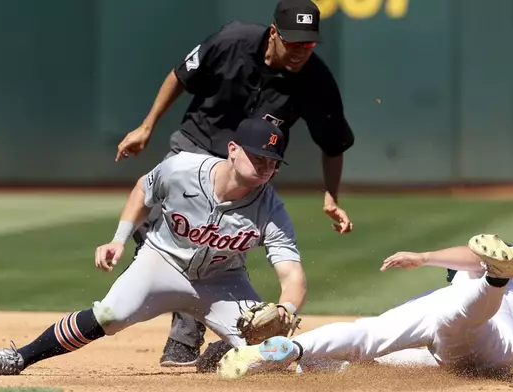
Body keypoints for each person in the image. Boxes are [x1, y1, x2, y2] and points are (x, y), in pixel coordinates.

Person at [115, 0, 356, 367]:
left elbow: (334, 143)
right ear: (274, 33)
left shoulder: (315, 80)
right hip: (195, 147)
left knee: (208, 247)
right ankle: (161, 262)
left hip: (247, 171)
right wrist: (147, 125)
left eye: (307, 45)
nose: (299, 52)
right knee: (156, 227)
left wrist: (331, 196)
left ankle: (185, 339)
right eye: (293, 43)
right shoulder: (232, 40)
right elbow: (180, 76)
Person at [0, 119, 307, 376]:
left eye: (272, 161)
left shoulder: (271, 209)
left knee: (272, 351)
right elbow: (142, 190)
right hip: (161, 263)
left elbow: (292, 273)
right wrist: (119, 239)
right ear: (233, 149)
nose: (265, 166)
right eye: (258, 156)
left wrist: (286, 310)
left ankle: (220, 352)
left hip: (223, 280)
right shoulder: (182, 169)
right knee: (110, 315)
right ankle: (19, 357)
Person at [216, 233, 513, 380]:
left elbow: (473, 256)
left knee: (370, 333)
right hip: (487, 359)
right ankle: (311, 356)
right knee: (385, 351)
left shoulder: (495, 277)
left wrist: (425, 257)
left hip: (482, 332)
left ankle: (296, 347)